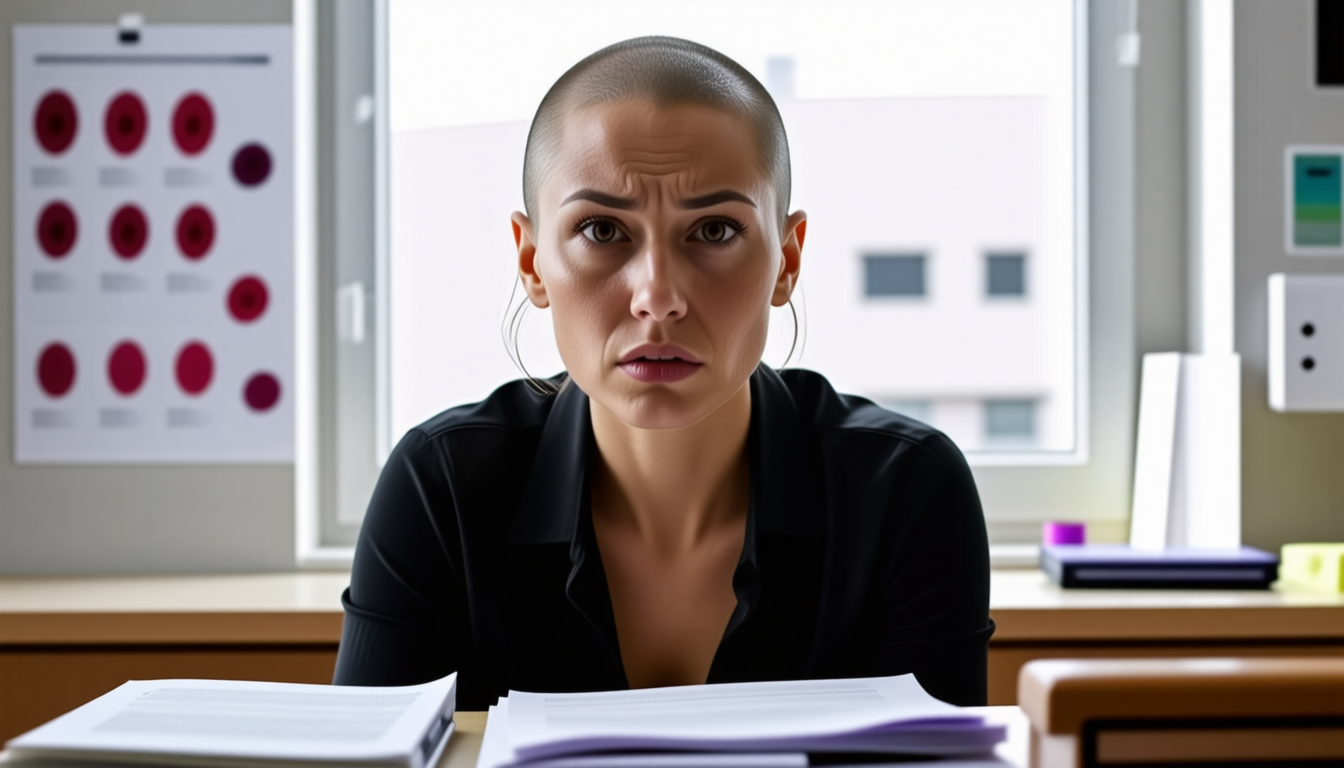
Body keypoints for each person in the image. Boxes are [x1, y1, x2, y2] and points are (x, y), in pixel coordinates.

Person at [333, 36, 992, 708]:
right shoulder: (438, 489)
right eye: (601, 230)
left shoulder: (906, 492)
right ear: (532, 262)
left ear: (787, 262)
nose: (658, 296)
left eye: (713, 231)